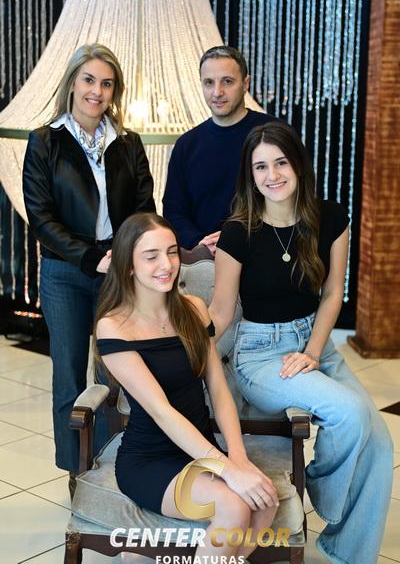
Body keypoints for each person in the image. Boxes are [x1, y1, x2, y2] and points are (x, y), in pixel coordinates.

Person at [209, 122, 393, 564]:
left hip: (315, 344)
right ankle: (318, 489)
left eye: (281, 163)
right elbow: (220, 311)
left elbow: (332, 294)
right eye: (260, 167)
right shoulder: (237, 232)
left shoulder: (330, 217)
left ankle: (349, 553)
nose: (272, 175)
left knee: (380, 444)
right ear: (250, 174)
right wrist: (183, 351)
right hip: (261, 354)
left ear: (298, 165)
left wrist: (312, 351)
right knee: (349, 413)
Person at [94, 212, 279, 561]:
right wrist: (227, 470)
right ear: (129, 265)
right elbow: (162, 412)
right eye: (151, 256)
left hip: (199, 447)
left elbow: (218, 389)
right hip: (150, 459)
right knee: (234, 506)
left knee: (265, 502)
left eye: (171, 252)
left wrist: (237, 457)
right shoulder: (115, 326)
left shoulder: (193, 309)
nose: (166, 265)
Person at [22, 43, 155, 492]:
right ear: (72, 82)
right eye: (89, 80)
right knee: (69, 375)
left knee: (114, 374)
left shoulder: (128, 143)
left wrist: (126, 256)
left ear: (115, 91)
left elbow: (144, 209)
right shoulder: (45, 141)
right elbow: (41, 219)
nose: (96, 91)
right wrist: (89, 257)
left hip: (117, 270)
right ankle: (76, 469)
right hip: (65, 271)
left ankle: (113, 463)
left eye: (106, 83)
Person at [163, 45, 276, 254]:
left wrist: (235, 242)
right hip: (202, 258)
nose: (217, 92)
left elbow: (292, 201)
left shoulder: (274, 134)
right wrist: (202, 244)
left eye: (227, 81)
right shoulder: (186, 145)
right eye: (209, 83)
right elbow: (174, 211)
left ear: (245, 84)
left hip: (263, 254)